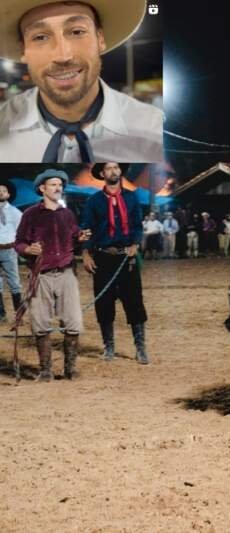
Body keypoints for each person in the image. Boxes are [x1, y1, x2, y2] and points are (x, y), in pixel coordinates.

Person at [0, 0, 163, 162]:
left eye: (77, 32)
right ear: (23, 50)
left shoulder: (155, 130)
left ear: (100, 39)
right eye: (40, 37)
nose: (62, 56)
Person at [14, 169, 91, 380]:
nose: (58, 188)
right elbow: (19, 242)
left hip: (66, 273)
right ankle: (45, 370)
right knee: (40, 323)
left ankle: (70, 369)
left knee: (73, 322)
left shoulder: (67, 214)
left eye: (60, 185)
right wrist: (28, 250)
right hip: (41, 275)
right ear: (42, 188)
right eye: (53, 184)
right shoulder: (31, 214)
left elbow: (74, 236)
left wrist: (80, 237)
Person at [80, 162, 148, 363]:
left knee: (134, 302)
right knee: (104, 303)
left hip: (126, 257)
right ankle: (109, 347)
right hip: (102, 257)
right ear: (102, 173)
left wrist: (135, 244)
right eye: (109, 168)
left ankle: (141, 348)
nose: (113, 171)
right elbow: (86, 229)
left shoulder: (131, 197)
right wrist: (85, 253)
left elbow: (137, 225)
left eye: (117, 167)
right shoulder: (93, 201)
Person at [0, 178, 23, 322]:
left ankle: (18, 315)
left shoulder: (15, 212)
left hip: (9, 250)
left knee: (14, 282)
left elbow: (21, 230)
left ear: (8, 194)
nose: (0, 193)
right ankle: (1, 315)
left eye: (3, 191)